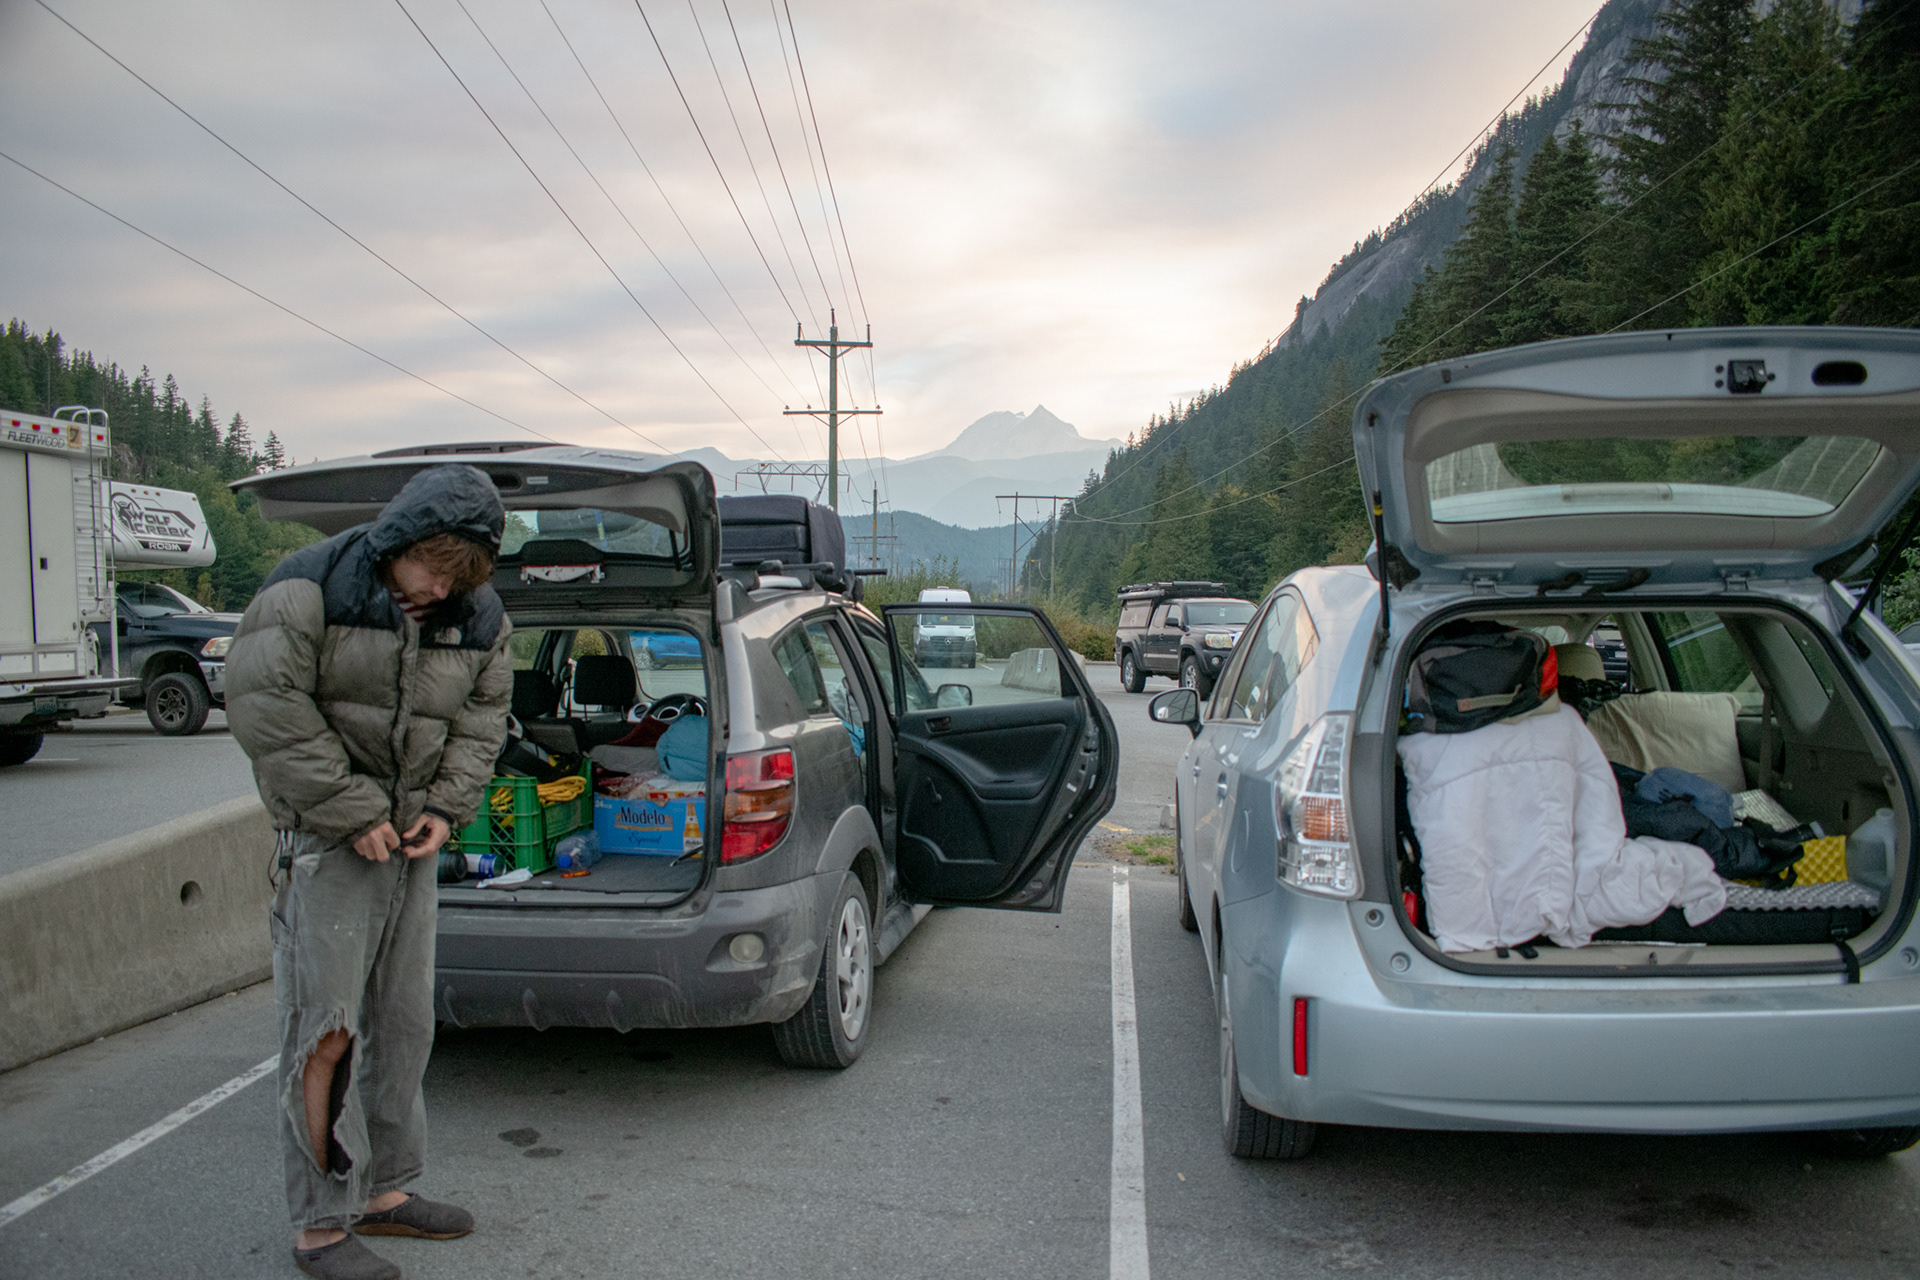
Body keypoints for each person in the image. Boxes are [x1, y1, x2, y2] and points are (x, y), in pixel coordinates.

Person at [226, 464, 512, 1280]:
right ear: (402, 539)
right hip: (328, 846)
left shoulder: (479, 616)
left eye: (458, 577)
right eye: (433, 569)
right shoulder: (308, 588)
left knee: (405, 1025)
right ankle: (320, 1226)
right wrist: (354, 810)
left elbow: (483, 719)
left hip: (409, 848)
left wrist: (447, 809)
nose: (440, 590)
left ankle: (385, 1190)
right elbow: (264, 705)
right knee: (326, 1033)